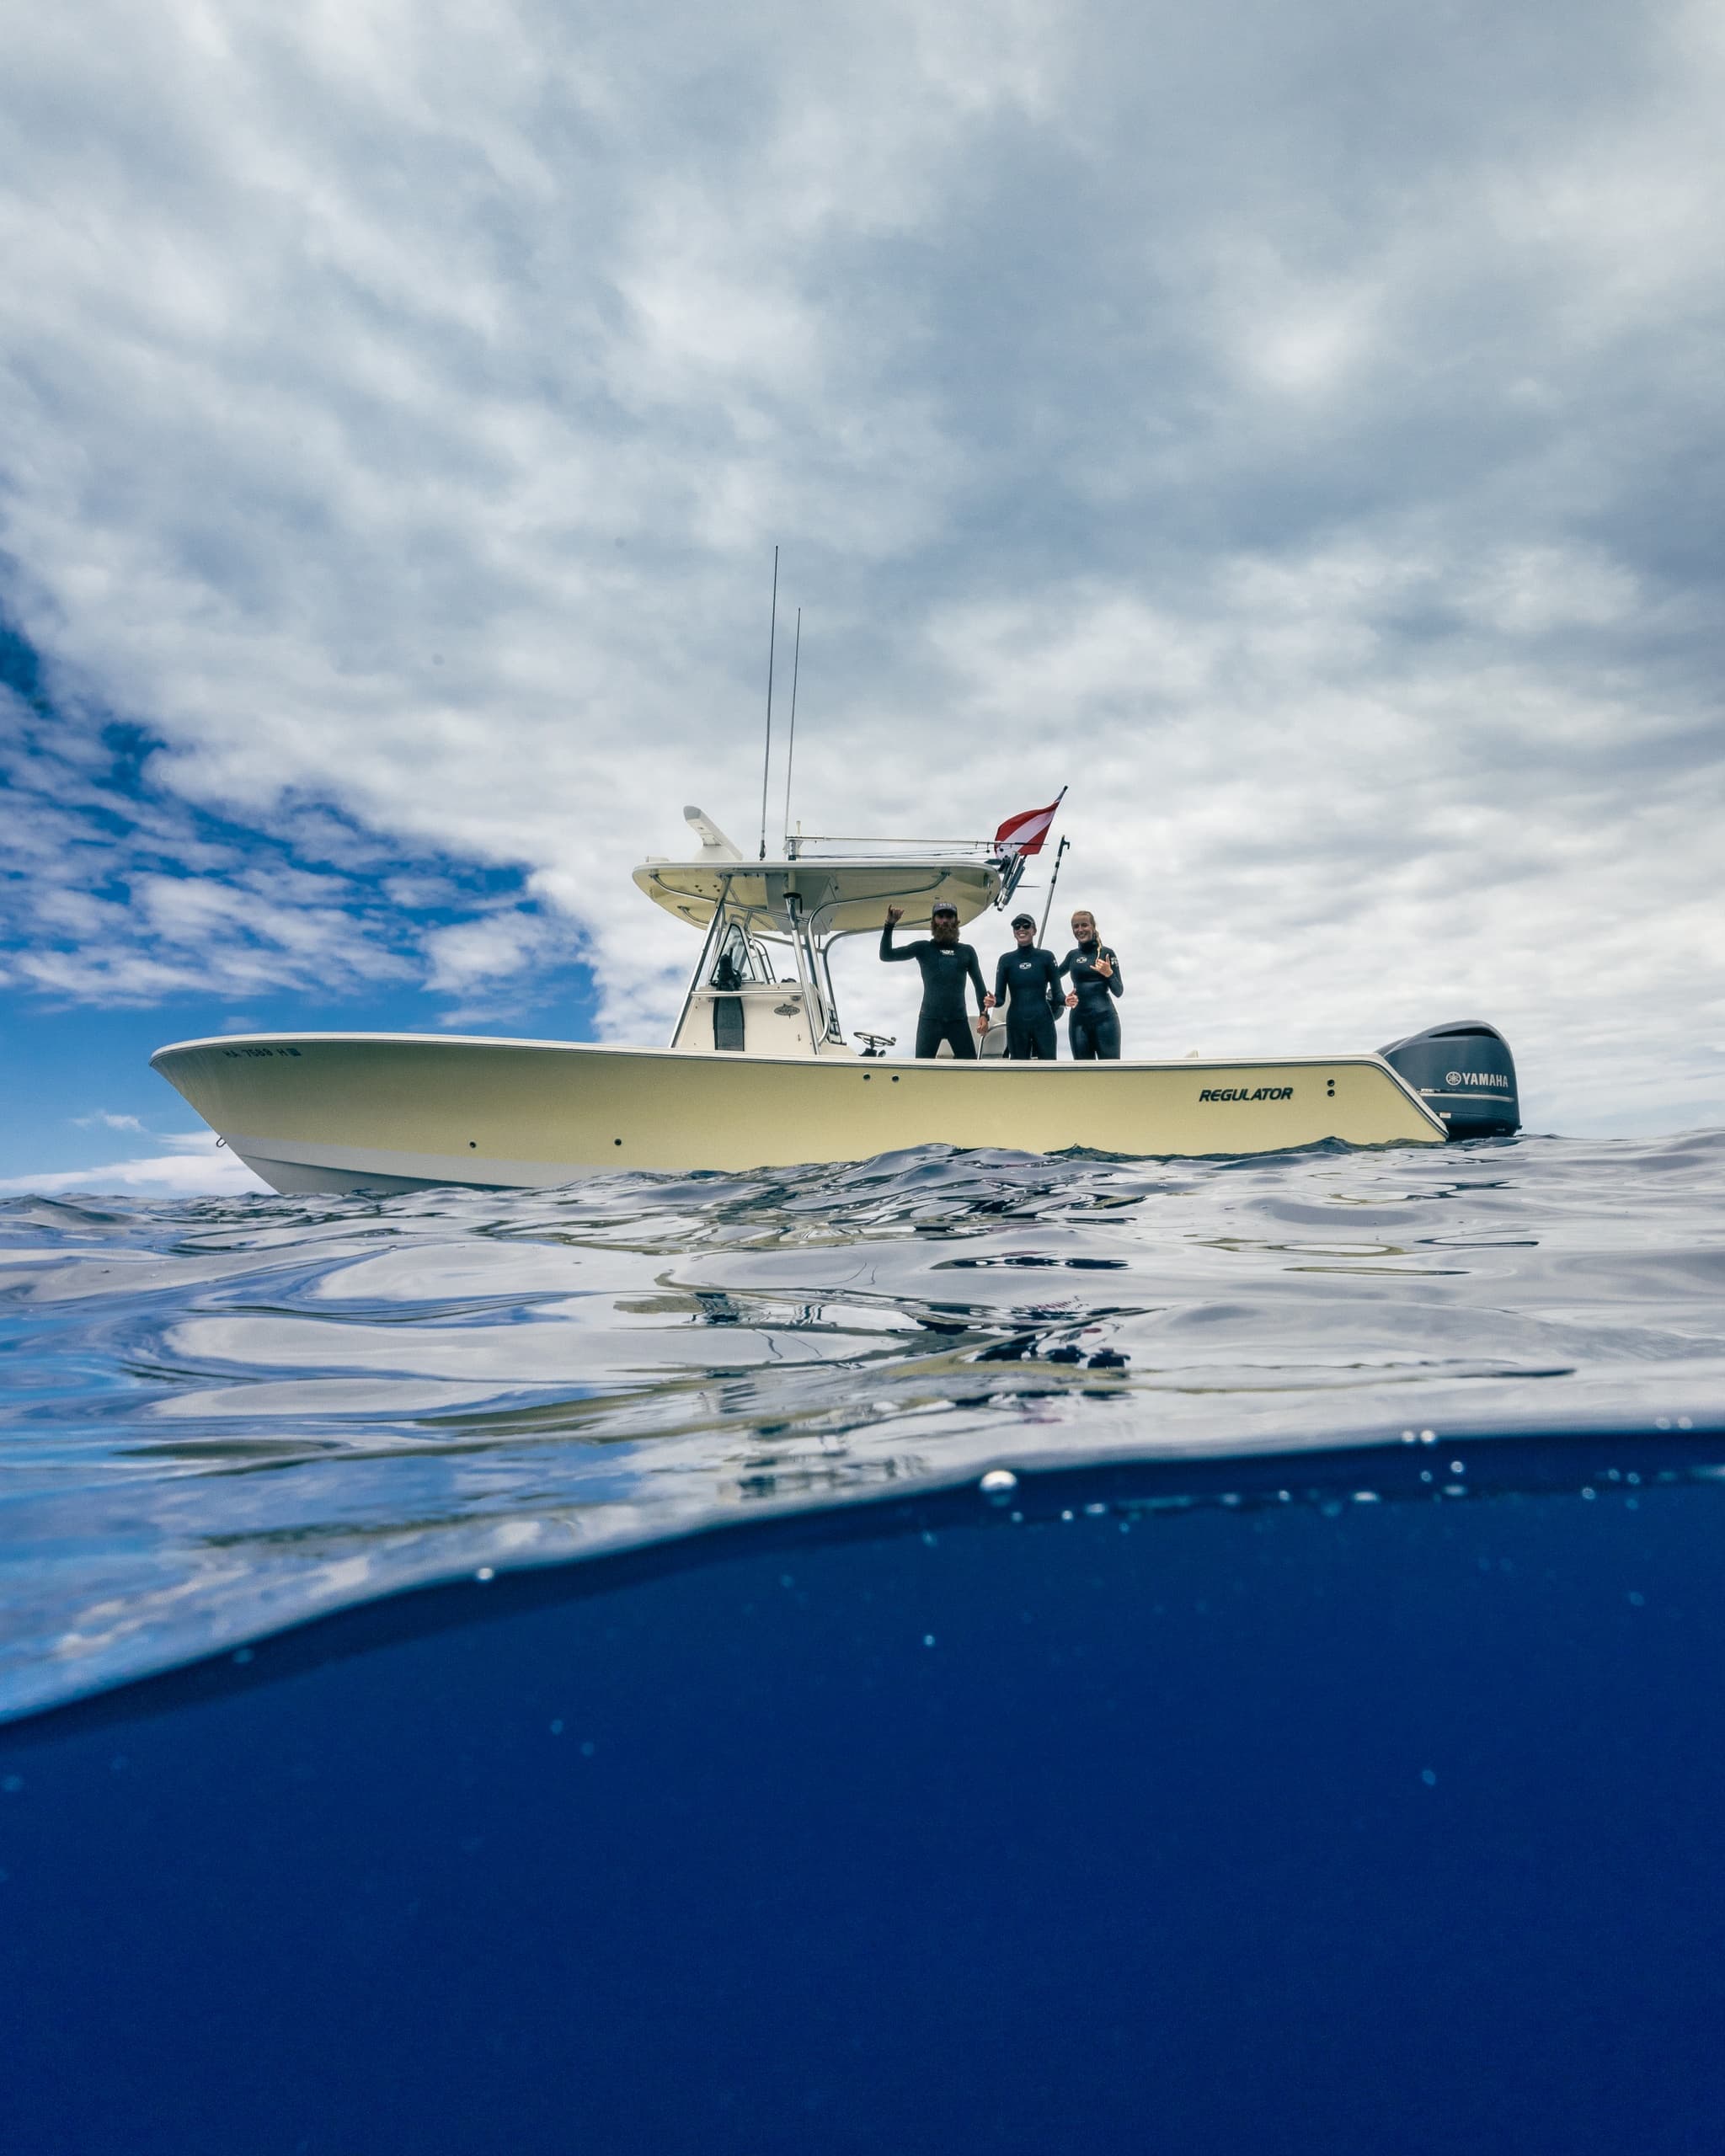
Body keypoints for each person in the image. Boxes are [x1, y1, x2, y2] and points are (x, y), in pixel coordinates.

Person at [880, 903, 990, 1059]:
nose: (945, 920)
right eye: (940, 916)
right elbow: (886, 955)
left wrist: (984, 1015)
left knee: (970, 1071)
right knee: (922, 1073)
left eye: (949, 916)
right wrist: (889, 925)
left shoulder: (967, 952)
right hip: (930, 1020)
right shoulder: (923, 948)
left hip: (958, 1020)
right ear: (933, 921)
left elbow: (980, 987)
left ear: (956, 921)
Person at [985, 913, 1063, 1059]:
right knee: (1018, 1071)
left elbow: (1058, 995)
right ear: (1014, 932)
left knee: (1049, 1070)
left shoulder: (1046, 957)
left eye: (1026, 926)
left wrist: (1066, 1001)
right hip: (1017, 1022)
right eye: (1017, 926)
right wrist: (994, 1001)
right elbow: (1000, 998)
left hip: (1043, 1021)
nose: (1022, 929)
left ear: (1034, 930)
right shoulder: (1006, 960)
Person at [1056, 909, 1124, 1059]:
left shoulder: (1107, 953)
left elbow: (1119, 991)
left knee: (1110, 1073)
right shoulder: (1073, 956)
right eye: (1076, 926)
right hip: (1079, 1022)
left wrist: (1109, 974)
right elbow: (1052, 976)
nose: (1080, 930)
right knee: (1083, 1075)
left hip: (1105, 1020)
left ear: (1093, 927)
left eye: (1084, 925)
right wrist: (1062, 998)